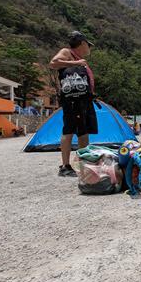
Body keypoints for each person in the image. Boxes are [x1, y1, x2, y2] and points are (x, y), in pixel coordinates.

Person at [49, 31, 97, 177]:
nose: (89, 49)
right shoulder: (67, 52)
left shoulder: (79, 59)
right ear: (82, 44)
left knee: (83, 131)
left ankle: (83, 162)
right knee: (69, 129)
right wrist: (75, 63)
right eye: (88, 45)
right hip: (72, 100)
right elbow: (53, 63)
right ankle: (65, 166)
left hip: (83, 100)